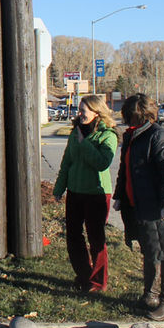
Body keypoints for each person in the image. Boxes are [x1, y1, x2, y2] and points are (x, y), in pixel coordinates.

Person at [113, 93, 164, 321]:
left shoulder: (158, 136)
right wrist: (119, 195)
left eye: (131, 115)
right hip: (141, 204)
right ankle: (149, 296)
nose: (128, 119)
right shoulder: (132, 137)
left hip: (161, 207)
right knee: (150, 249)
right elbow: (125, 169)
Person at [53, 95, 118, 292]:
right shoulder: (75, 133)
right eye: (79, 110)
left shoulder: (108, 135)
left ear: (97, 112)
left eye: (84, 111)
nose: (79, 114)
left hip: (97, 193)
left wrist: (84, 143)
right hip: (75, 191)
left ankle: (98, 282)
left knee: (95, 237)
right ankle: (83, 275)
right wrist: (59, 188)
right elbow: (67, 162)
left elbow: (102, 162)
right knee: (73, 235)